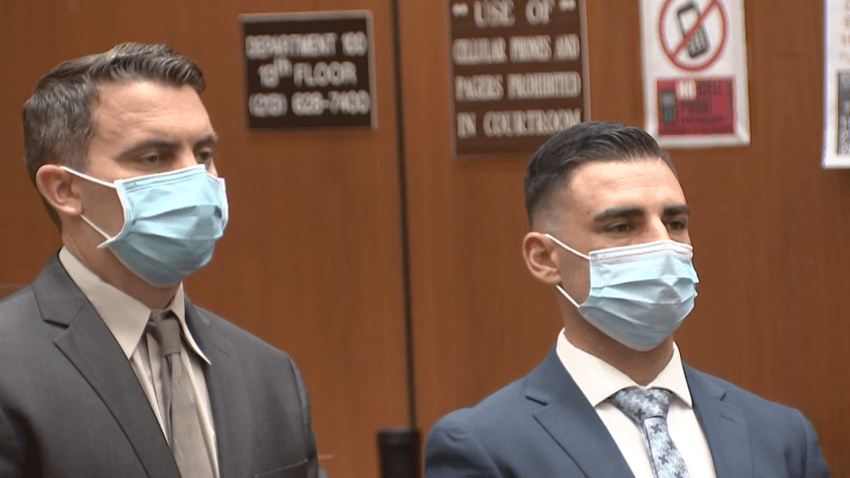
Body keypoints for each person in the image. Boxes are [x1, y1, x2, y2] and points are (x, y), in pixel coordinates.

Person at [424, 121, 829, 477]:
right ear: (546, 258)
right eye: (621, 226)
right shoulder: (486, 446)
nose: (663, 245)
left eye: (675, 222)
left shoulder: (782, 436)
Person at [0, 42, 325, 478]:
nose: (196, 178)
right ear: (65, 189)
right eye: (154, 157)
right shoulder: (10, 366)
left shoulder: (269, 375)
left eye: (204, 154)